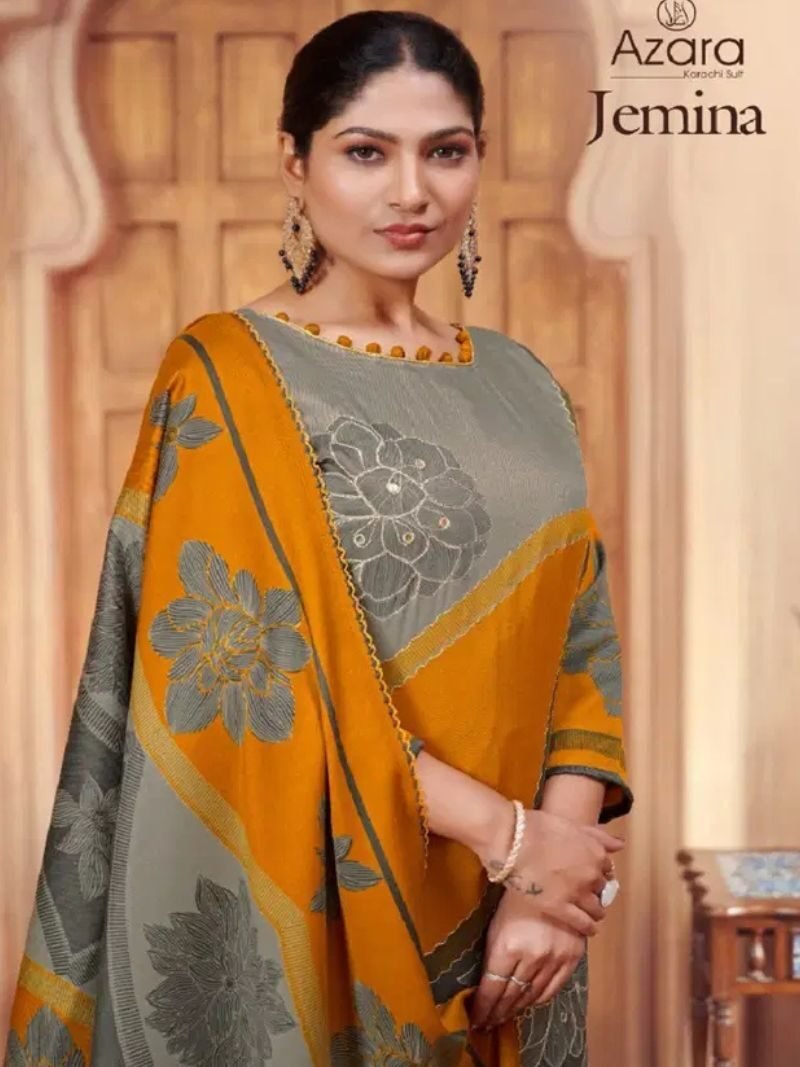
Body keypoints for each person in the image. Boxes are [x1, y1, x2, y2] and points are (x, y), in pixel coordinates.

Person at [4, 10, 632, 1067]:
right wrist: (513, 838)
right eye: (365, 152)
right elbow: (249, 686)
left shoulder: (525, 385)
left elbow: (583, 643)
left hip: (520, 939)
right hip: (330, 908)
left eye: (445, 152)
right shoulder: (228, 374)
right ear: (294, 164)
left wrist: (553, 889)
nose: (411, 192)